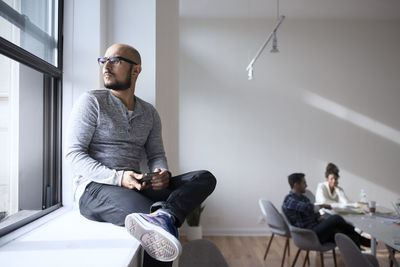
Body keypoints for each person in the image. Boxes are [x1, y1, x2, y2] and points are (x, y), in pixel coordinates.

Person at [66, 43, 216, 266]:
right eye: (103, 60)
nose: (106, 66)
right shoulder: (92, 101)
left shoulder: (149, 113)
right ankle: (164, 217)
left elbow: (156, 154)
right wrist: (119, 178)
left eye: (114, 60)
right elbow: (73, 155)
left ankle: (166, 215)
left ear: (136, 70)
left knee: (204, 178)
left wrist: (161, 172)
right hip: (94, 188)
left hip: (137, 184)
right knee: (157, 226)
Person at [282, 173, 369, 247]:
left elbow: (313, 213)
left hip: (316, 229)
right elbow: (308, 208)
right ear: (296, 185)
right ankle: (362, 240)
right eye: (304, 183)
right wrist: (322, 206)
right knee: (335, 218)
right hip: (308, 234)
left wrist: (320, 218)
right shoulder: (289, 200)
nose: (306, 185)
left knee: (342, 234)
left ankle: (360, 255)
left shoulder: (303, 198)